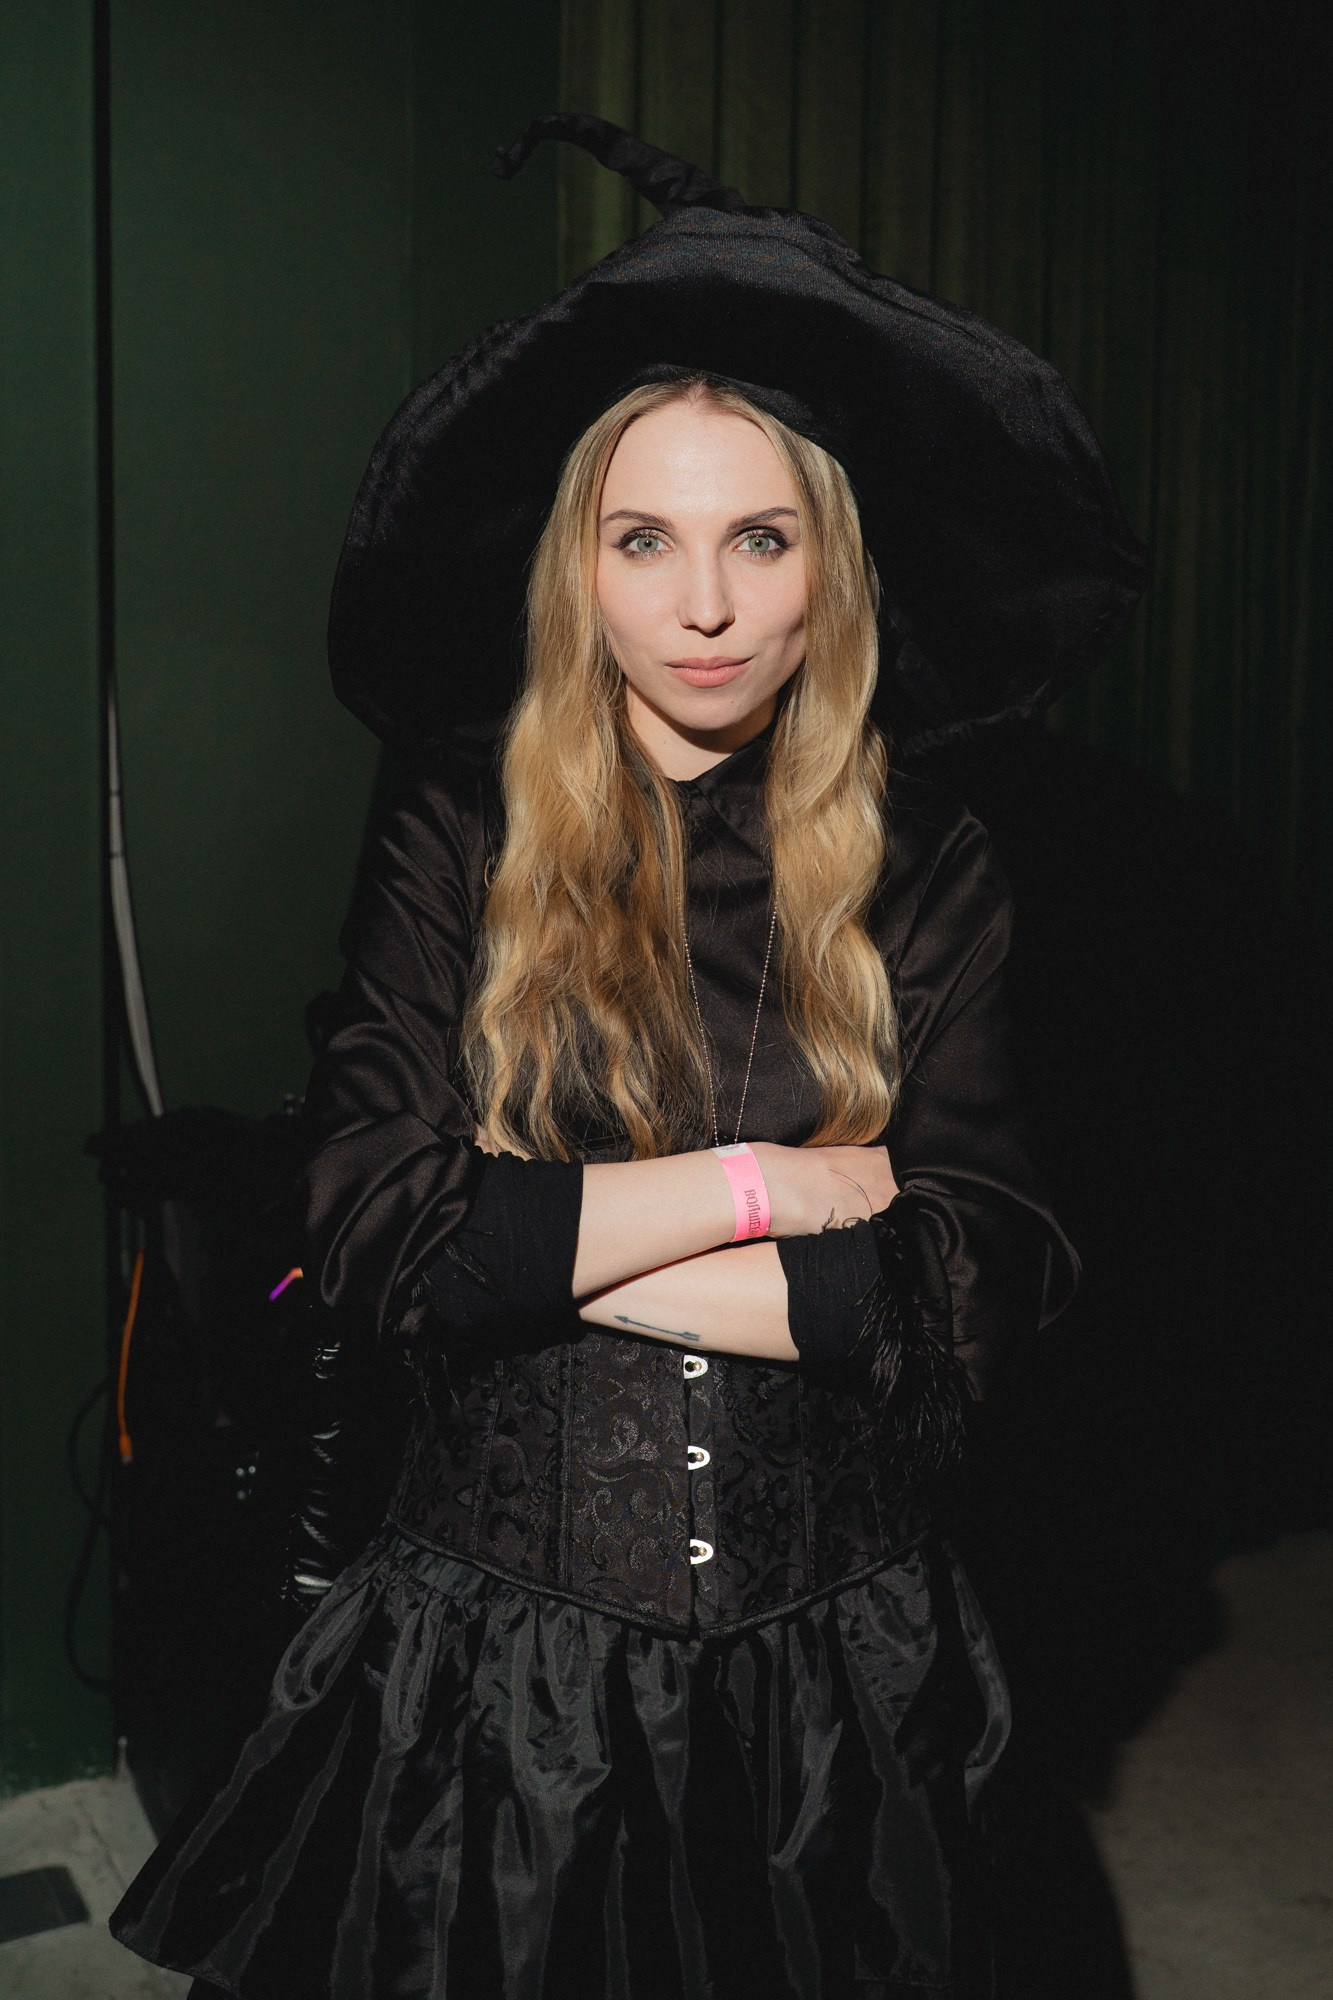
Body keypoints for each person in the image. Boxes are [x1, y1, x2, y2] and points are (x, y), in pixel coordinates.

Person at [111, 116, 1146, 1999]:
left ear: (830, 565)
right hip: (486, 1676)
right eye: (642, 539)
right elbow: (379, 1234)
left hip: (842, 1676)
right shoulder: (454, 824)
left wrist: (538, 1240)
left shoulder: (935, 866)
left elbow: (970, 1284)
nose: (705, 606)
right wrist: (768, 1188)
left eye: (760, 538)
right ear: (573, 566)